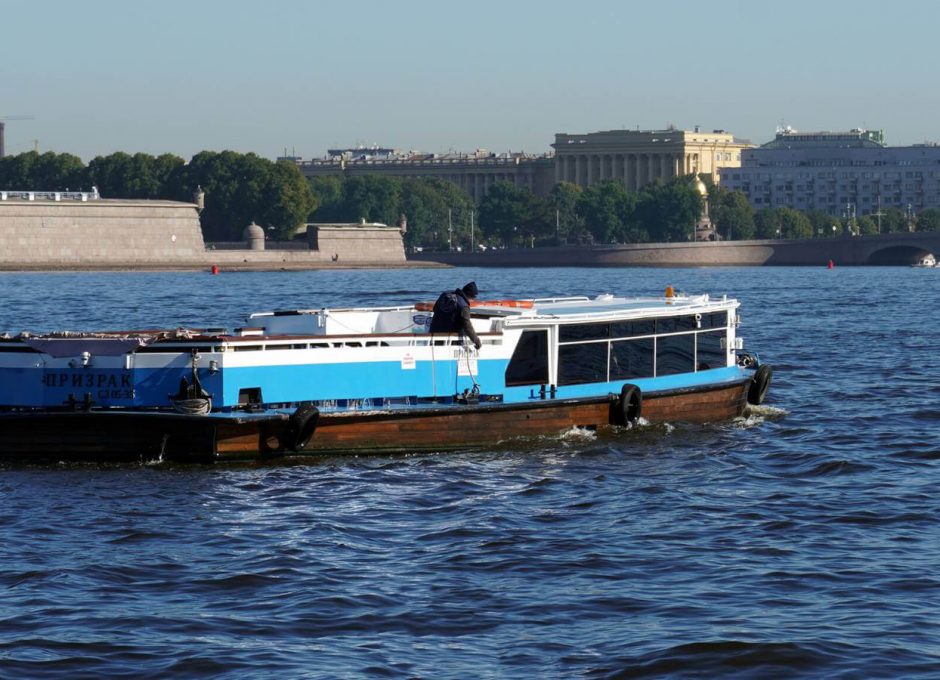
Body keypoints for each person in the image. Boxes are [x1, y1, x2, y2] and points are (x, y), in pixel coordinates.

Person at [429, 281, 482, 349]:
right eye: (474, 297)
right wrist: (476, 341)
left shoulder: (445, 295)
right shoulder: (463, 306)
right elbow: (467, 326)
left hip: (434, 332)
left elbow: (435, 309)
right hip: (451, 338)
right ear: (471, 296)